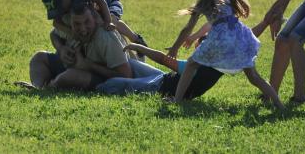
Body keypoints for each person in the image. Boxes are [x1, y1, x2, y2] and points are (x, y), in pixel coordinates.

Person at [166, 0, 284, 109]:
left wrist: (175, 48)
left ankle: (177, 100)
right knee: (254, 77)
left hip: (221, 41)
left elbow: (187, 29)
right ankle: (279, 104)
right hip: (241, 38)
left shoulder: (204, 1)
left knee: (191, 64)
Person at [16, 2, 133, 90]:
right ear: (70, 21)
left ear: (95, 19)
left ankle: (47, 88)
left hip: (101, 77)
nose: (82, 29)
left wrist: (88, 65)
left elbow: (126, 76)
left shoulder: (106, 37)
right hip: (72, 68)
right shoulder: (68, 23)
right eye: (77, 24)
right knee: (39, 58)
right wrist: (61, 49)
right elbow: (54, 34)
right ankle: (38, 88)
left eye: (87, 22)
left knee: (69, 76)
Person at [32, 0, 148, 56]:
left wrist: (108, 22)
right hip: (94, 9)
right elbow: (56, 23)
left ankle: (136, 39)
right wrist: (71, 32)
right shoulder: (61, 4)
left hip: (109, 4)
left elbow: (101, 1)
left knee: (111, 21)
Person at [96, 42, 224, 100]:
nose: (196, 49)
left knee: (114, 83)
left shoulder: (195, 67)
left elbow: (163, 59)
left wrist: (138, 46)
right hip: (162, 77)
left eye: (199, 47)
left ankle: (92, 81)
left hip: (158, 87)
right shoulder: (208, 66)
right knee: (131, 63)